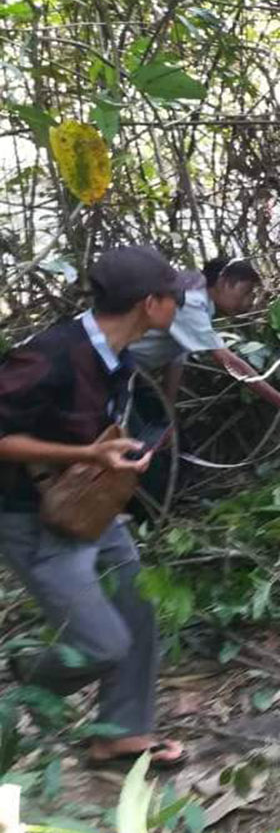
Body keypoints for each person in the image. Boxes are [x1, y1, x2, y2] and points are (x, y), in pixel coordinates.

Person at [0, 245, 188, 770]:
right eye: (174, 297)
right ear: (150, 304)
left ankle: (121, 735)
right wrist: (86, 453)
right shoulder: (52, 353)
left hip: (92, 506)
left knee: (137, 605)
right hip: (33, 519)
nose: (179, 306)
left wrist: (122, 453)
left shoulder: (118, 357)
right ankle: (29, 673)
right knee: (103, 644)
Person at [128, 256, 280, 425]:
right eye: (247, 291)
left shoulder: (202, 307)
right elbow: (230, 363)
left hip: (127, 373)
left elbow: (175, 360)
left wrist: (167, 414)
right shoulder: (191, 302)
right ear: (224, 282)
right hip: (110, 367)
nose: (249, 301)